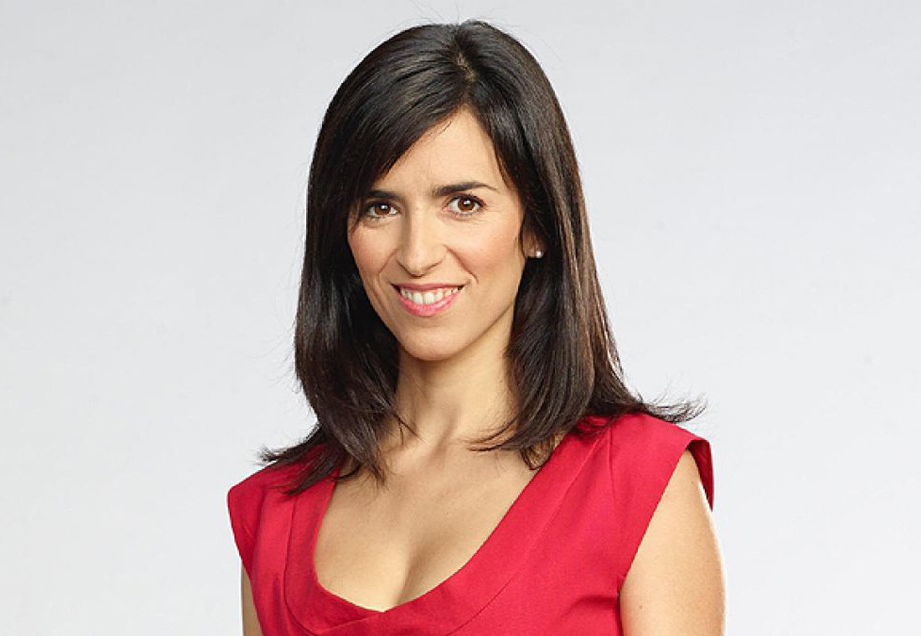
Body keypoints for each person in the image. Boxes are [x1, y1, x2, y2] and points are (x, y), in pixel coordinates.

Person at [227, 19, 724, 635]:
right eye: (381, 207)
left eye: (464, 204)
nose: (417, 254)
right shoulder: (273, 513)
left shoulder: (637, 482)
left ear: (537, 224)